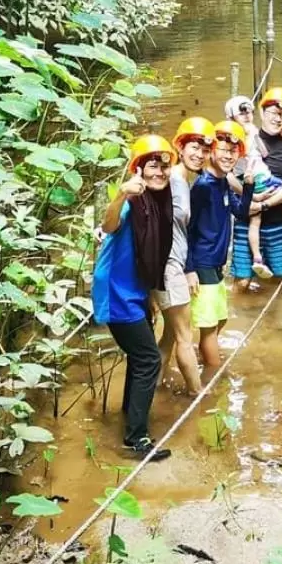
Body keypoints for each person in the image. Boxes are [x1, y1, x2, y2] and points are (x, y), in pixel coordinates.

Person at [91, 134, 178, 461]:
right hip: (115, 292)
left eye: (164, 166)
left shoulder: (158, 200)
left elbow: (149, 255)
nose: (159, 173)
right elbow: (109, 225)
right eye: (152, 166)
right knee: (149, 358)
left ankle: (130, 412)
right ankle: (136, 438)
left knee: (140, 356)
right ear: (138, 169)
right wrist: (120, 196)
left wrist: (149, 298)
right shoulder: (131, 200)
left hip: (135, 291)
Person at [185, 120, 255, 380]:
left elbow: (240, 211)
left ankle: (204, 357)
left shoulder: (223, 181)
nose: (228, 156)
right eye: (222, 150)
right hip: (202, 262)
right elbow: (187, 230)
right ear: (211, 151)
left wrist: (248, 186)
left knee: (220, 319)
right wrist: (189, 268)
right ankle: (214, 378)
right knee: (209, 326)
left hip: (216, 262)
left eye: (233, 152)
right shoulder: (203, 186)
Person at [157, 117, 214, 395]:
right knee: (184, 335)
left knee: (170, 334)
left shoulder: (183, 181)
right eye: (194, 147)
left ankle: (153, 384)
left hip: (173, 266)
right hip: (167, 267)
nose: (199, 155)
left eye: (204, 150)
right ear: (180, 147)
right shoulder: (167, 179)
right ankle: (197, 395)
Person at [229, 87, 282, 288]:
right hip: (245, 221)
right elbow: (224, 172)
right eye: (273, 113)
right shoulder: (244, 140)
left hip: (277, 224)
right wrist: (248, 197)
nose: (278, 119)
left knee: (277, 278)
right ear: (261, 113)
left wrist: (263, 204)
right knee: (242, 282)